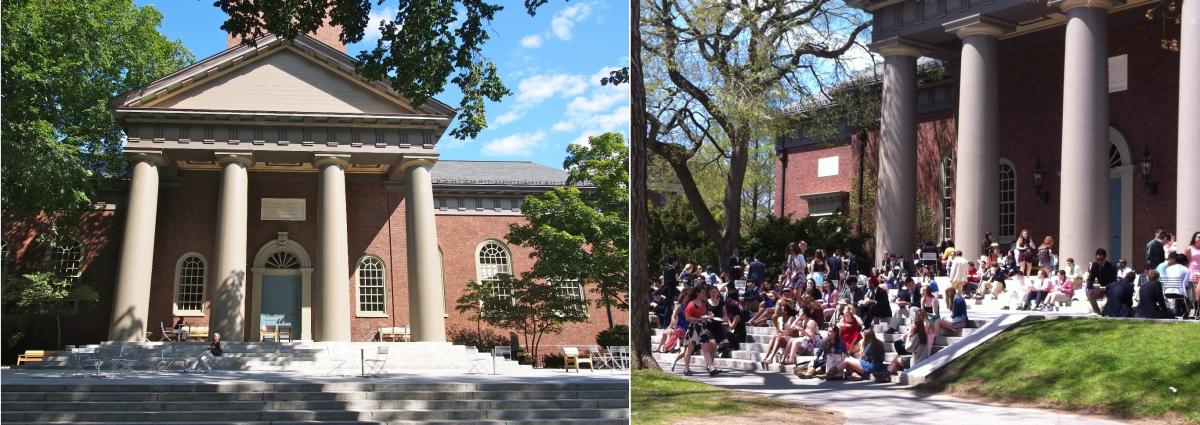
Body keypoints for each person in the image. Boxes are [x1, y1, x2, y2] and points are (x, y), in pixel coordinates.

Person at [680, 286, 722, 376]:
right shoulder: (691, 304)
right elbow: (687, 318)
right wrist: (700, 318)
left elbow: (704, 314)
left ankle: (711, 368)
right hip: (694, 328)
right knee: (690, 349)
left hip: (702, 328)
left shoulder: (703, 303)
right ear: (697, 293)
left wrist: (708, 316)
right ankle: (686, 368)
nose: (704, 294)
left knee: (706, 349)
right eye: (702, 292)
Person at [888, 308, 931, 374]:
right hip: (923, 359)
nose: (912, 325)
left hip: (916, 362)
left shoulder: (917, 335)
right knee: (898, 345)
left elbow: (908, 349)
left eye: (913, 324)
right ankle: (892, 371)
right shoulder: (923, 334)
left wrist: (909, 335)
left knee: (896, 359)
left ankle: (887, 374)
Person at [1087, 248, 1118, 315]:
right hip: (1100, 289)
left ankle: (1106, 313)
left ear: (1105, 258)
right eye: (1097, 259)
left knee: (1105, 304)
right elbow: (1090, 279)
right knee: (1090, 294)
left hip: (1110, 289)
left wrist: (1106, 287)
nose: (1099, 261)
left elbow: (1114, 281)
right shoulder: (1095, 265)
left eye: (1101, 259)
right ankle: (1098, 312)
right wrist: (1089, 289)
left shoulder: (1111, 266)